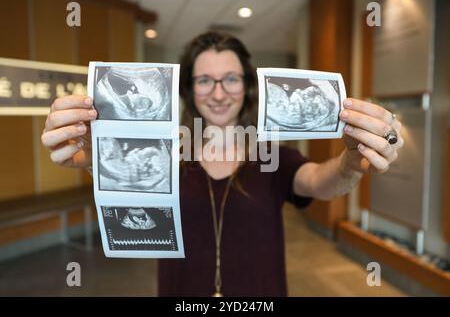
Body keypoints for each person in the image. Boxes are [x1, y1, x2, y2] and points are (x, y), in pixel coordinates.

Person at [41, 31, 404, 296]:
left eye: (230, 78)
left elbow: (320, 180)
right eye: (204, 80)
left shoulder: (270, 155)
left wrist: (352, 160)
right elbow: (124, 176)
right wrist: (93, 157)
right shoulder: (161, 151)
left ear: (246, 86)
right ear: (188, 89)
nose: (218, 93)